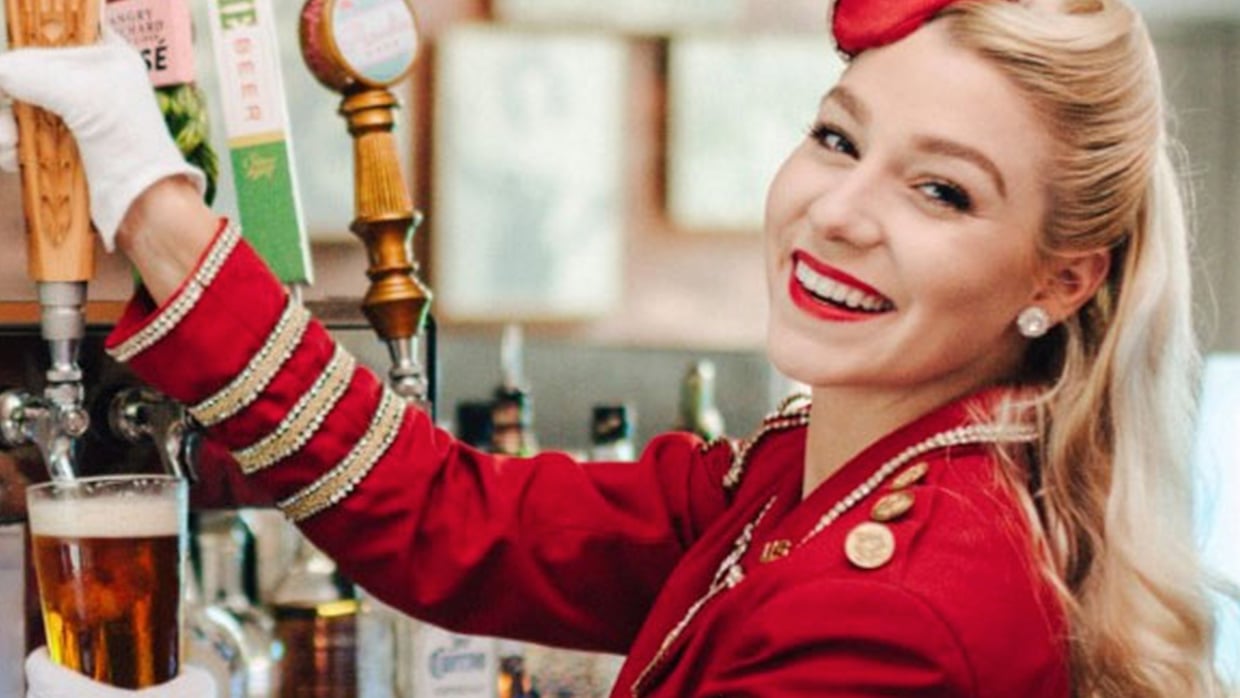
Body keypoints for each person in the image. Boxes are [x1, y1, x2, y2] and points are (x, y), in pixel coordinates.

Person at [0, 0, 1232, 695]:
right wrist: (151, 191)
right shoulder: (820, 470)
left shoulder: (895, 610)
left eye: (944, 193)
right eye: (839, 138)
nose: (841, 212)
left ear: (1061, 275)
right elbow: (457, 516)